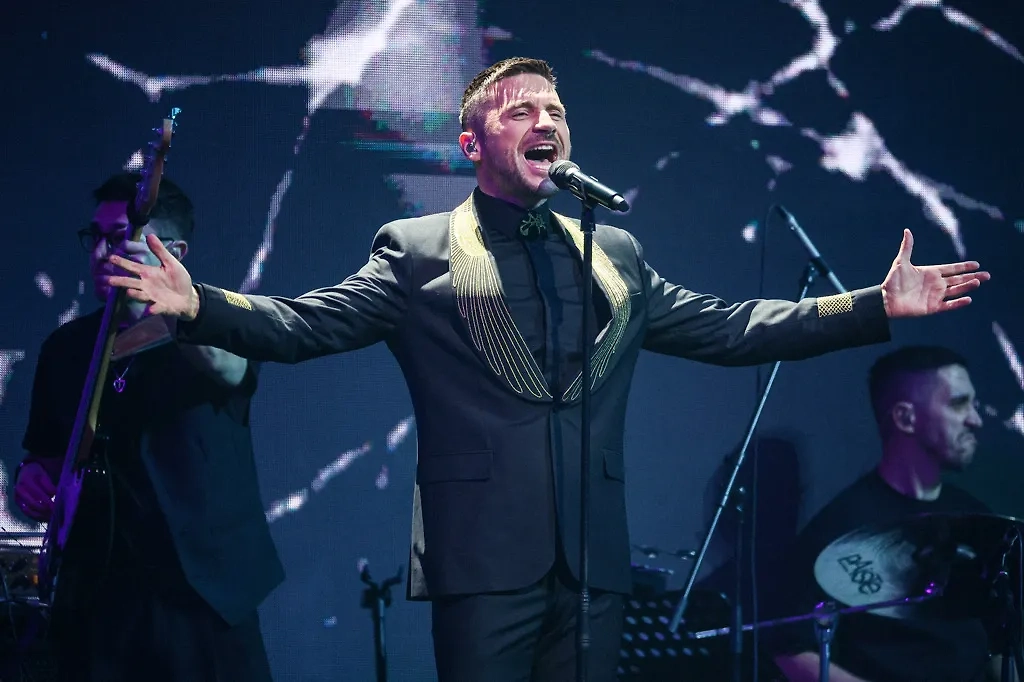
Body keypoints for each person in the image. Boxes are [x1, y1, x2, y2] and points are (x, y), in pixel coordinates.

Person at [105, 58, 989, 681]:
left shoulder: (615, 254)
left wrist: (871, 305)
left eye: (556, 111)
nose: (546, 121)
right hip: (483, 560)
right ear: (471, 144)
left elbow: (732, 327)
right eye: (520, 110)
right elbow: (306, 323)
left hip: (593, 564)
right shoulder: (416, 251)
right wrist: (199, 306)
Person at [12, 173, 283, 681]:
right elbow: (46, 455)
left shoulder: (213, 327)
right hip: (98, 599)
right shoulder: (66, 348)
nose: (101, 253)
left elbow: (232, 368)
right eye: (95, 238)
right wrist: (32, 478)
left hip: (202, 597)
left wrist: (170, 308)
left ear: (172, 252)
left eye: (119, 239)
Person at [770, 346, 1004, 682]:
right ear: (905, 418)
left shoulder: (975, 518)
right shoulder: (841, 527)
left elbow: (999, 639)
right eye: (958, 403)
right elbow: (790, 648)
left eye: (973, 404)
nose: (975, 420)